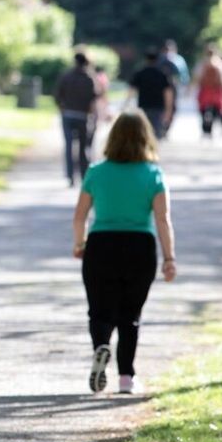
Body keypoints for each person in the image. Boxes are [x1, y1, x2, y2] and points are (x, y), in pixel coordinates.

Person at [71, 110, 177, 395]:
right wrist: (169, 258)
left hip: (101, 245)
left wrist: (79, 244)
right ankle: (126, 378)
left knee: (99, 311)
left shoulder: (96, 171)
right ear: (146, 138)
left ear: (113, 137)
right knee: (130, 314)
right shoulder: (154, 174)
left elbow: (80, 216)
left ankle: (100, 347)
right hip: (140, 247)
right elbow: (162, 219)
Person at [53, 53, 100, 187]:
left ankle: (70, 176)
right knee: (83, 147)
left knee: (68, 146)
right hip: (83, 116)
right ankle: (84, 175)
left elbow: (57, 95)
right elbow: (93, 99)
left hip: (67, 114)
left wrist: (62, 108)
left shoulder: (65, 76)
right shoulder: (89, 78)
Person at [126, 48, 174, 139]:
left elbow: (131, 90)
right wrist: (169, 109)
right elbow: (168, 93)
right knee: (155, 133)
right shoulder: (162, 75)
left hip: (143, 106)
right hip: (158, 107)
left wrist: (126, 105)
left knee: (143, 133)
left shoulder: (140, 73)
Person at [193, 44, 222, 138]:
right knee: (218, 110)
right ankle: (215, 126)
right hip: (216, 91)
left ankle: (206, 129)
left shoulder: (202, 63)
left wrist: (191, 89)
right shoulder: (220, 64)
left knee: (203, 110)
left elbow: (197, 78)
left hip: (205, 90)